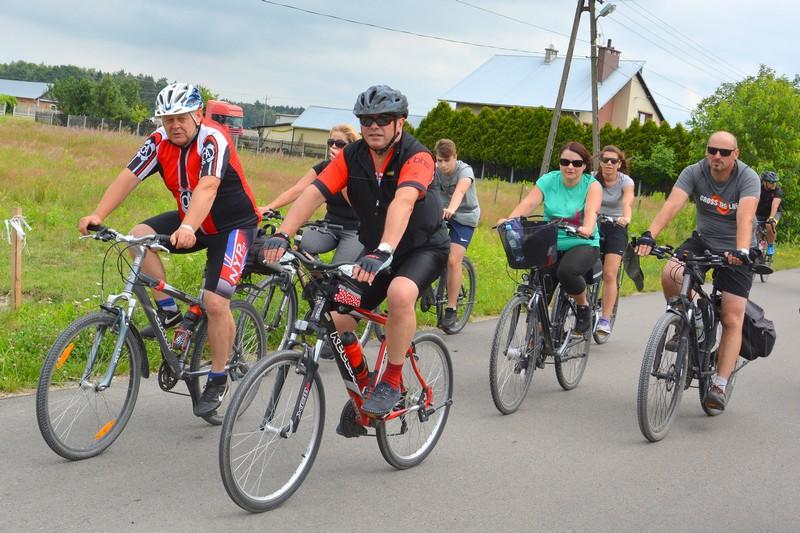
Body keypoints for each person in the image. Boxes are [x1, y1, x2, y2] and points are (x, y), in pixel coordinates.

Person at [262, 85, 449, 418]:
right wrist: (283, 234)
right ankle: (365, 391)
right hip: (377, 252)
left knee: (400, 293)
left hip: (423, 248)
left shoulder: (417, 156)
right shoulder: (352, 156)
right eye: (366, 120)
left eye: (383, 119)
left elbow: (404, 202)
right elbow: (315, 192)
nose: (374, 126)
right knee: (338, 315)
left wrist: (384, 249)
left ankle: (391, 381)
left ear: (400, 122)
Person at [78, 83, 261, 417]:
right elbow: (128, 177)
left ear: (197, 114)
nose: (174, 125)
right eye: (167, 119)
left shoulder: (213, 139)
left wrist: (188, 227)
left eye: (181, 118)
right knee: (137, 237)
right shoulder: (158, 141)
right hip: (190, 221)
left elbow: (208, 187)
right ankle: (169, 313)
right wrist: (98, 214)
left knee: (215, 303)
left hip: (232, 227)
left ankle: (218, 378)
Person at [635, 131, 760, 411]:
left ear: (735, 154)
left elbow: (745, 216)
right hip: (703, 241)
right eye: (712, 150)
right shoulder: (694, 171)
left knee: (731, 315)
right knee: (671, 272)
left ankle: (720, 384)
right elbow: (673, 203)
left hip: (736, 249)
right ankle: (694, 321)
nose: (717, 156)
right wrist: (650, 234)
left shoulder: (747, 177)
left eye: (724, 152)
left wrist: (741, 251)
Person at [501, 141, 601, 334]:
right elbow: (529, 203)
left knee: (567, 272)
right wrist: (510, 221)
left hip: (582, 242)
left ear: (584, 166)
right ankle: (536, 340)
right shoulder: (549, 180)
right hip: (551, 240)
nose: (570, 167)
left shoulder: (592, 185)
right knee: (540, 286)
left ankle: (583, 306)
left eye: (576, 163)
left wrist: (588, 227)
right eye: (565, 162)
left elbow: (591, 210)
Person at [260, 124, 363, 263]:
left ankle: (332, 277)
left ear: (350, 147)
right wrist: (270, 206)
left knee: (339, 271)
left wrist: (341, 169)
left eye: (339, 144)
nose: (333, 146)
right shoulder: (324, 167)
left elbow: (356, 204)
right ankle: (318, 276)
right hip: (328, 226)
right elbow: (298, 189)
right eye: (331, 142)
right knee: (301, 246)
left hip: (354, 230)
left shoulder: (358, 170)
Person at [430, 139, 481, 329]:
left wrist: (451, 209)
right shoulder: (434, 170)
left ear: (455, 157)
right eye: (439, 160)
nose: (442, 165)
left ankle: (451, 308)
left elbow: (459, 192)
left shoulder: (465, 171)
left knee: (453, 259)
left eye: (446, 160)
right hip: (441, 214)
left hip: (464, 217)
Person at [594, 145, 635, 338]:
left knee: (610, 274)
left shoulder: (625, 181)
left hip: (616, 226)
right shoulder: (592, 179)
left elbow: (627, 200)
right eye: (605, 160)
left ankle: (605, 319)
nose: (609, 164)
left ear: (619, 164)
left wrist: (626, 218)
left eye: (613, 161)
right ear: (600, 162)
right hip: (593, 224)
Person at [755, 171, 782, 256]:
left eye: (775, 182)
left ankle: (770, 246)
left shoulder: (777, 191)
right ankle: (755, 247)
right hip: (759, 213)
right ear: (764, 182)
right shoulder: (758, 188)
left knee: (769, 224)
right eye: (771, 182)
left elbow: (775, 206)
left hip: (774, 213)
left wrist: (771, 218)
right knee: (752, 226)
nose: (774, 184)